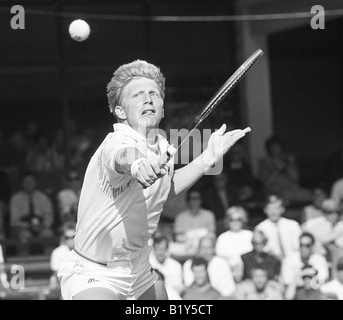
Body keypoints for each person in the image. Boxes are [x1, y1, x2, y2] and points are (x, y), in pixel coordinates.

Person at [57, 60, 250, 300]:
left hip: (138, 269)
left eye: (154, 94)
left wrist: (209, 157)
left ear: (162, 108)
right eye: (138, 95)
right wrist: (138, 166)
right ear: (120, 111)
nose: (148, 99)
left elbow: (163, 190)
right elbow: (124, 156)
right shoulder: (114, 143)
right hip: (94, 270)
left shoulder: (162, 148)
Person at [258, 136, 311, 205]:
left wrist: (288, 165)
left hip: (292, 190)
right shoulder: (265, 163)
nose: (275, 149)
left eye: (277, 146)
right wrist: (276, 170)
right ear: (269, 149)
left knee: (308, 194)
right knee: (284, 197)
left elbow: (296, 178)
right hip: (276, 192)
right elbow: (266, 183)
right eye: (273, 147)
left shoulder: (288, 160)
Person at [183, 233, 236, 297]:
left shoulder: (222, 263)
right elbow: (189, 287)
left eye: (209, 248)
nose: (206, 251)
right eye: (203, 248)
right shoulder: (188, 264)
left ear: (213, 249)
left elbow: (229, 289)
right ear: (199, 249)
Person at [172, 188, 216, 259]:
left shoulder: (209, 215)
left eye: (197, 198)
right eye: (191, 198)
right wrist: (192, 240)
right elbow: (178, 237)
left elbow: (212, 234)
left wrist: (198, 240)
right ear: (187, 200)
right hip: (187, 248)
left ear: (201, 200)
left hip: (205, 247)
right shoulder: (180, 217)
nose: (194, 201)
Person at [255, 195, 302, 260]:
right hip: (271, 262)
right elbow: (262, 249)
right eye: (270, 208)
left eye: (277, 208)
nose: (274, 212)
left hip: (293, 261)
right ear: (265, 210)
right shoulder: (260, 228)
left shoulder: (293, 225)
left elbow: (299, 246)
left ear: (283, 209)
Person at [9, 172, 54, 238]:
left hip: (41, 227)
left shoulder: (43, 197)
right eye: (26, 181)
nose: (28, 184)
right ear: (22, 183)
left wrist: (42, 225)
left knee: (47, 234)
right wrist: (28, 226)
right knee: (25, 236)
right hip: (22, 229)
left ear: (35, 183)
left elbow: (49, 216)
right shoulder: (15, 199)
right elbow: (14, 220)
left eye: (31, 181)